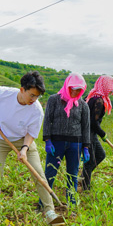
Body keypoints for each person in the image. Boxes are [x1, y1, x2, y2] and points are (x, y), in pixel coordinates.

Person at [0, 71, 65, 226]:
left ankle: (50, 212)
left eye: (37, 97)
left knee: (38, 173)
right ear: (22, 90)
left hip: (23, 139)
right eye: (32, 95)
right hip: (0, 138)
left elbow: (31, 133)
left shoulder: (37, 110)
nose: (34, 100)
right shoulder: (5, 94)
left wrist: (24, 149)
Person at [42, 73, 90, 206]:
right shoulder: (54, 100)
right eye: (72, 88)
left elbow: (86, 127)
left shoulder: (83, 105)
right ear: (67, 86)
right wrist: (47, 140)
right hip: (56, 143)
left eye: (78, 89)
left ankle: (72, 202)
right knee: (50, 173)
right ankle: (44, 203)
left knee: (72, 174)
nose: (74, 92)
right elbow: (47, 121)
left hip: (75, 144)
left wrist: (86, 147)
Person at [82, 75, 113, 190]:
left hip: (91, 133)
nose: (110, 94)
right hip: (88, 133)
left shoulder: (92, 96)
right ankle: (85, 188)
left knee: (100, 155)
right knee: (90, 161)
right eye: (110, 91)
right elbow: (94, 122)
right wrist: (103, 134)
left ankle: (84, 177)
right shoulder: (98, 100)